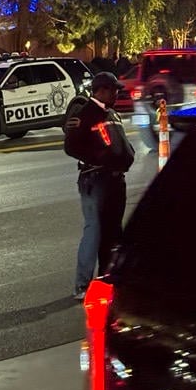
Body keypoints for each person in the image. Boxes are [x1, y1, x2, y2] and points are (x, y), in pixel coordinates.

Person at [64, 71, 135, 301]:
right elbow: (72, 147)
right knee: (94, 231)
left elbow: (122, 144)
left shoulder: (112, 114)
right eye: (113, 90)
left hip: (116, 180)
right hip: (95, 180)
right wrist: (100, 159)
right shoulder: (85, 114)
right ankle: (82, 285)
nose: (116, 93)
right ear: (101, 90)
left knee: (114, 232)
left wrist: (126, 157)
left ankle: (108, 279)